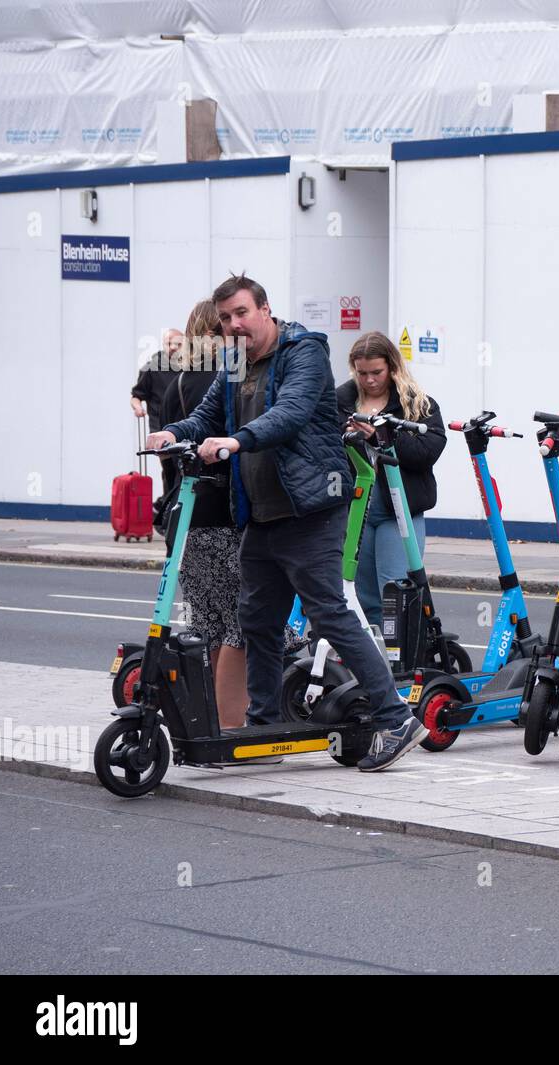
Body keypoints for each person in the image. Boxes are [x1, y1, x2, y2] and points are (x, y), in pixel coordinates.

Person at [148, 273, 424, 772]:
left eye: (242, 314)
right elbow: (210, 415)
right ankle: (262, 724)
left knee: (329, 613)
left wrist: (237, 442)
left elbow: (291, 413)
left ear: (265, 310)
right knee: (257, 620)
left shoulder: (305, 351)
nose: (235, 325)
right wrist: (172, 432)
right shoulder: (234, 361)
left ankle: (395, 717)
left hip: (312, 508)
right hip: (261, 512)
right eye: (226, 319)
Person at [157, 301, 249, 728]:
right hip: (224, 511)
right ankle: (233, 724)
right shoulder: (228, 378)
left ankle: (210, 717)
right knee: (244, 623)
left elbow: (166, 455)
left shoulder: (174, 381)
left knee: (208, 624)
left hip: (185, 513)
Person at [335, 332, 446, 627]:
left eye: (377, 372)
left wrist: (384, 436)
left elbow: (427, 451)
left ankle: (401, 663)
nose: (370, 380)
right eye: (362, 373)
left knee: (394, 592)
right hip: (356, 510)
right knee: (363, 595)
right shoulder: (340, 402)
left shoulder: (419, 404)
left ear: (392, 367)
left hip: (398, 512)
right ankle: (373, 661)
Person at [132, 328, 186, 505]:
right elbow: (136, 395)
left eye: (177, 344)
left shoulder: (188, 367)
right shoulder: (151, 367)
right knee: (169, 468)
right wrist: (138, 407)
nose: (173, 347)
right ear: (164, 344)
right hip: (159, 427)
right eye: (169, 343)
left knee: (183, 469)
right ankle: (168, 508)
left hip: (183, 426)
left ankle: (170, 505)